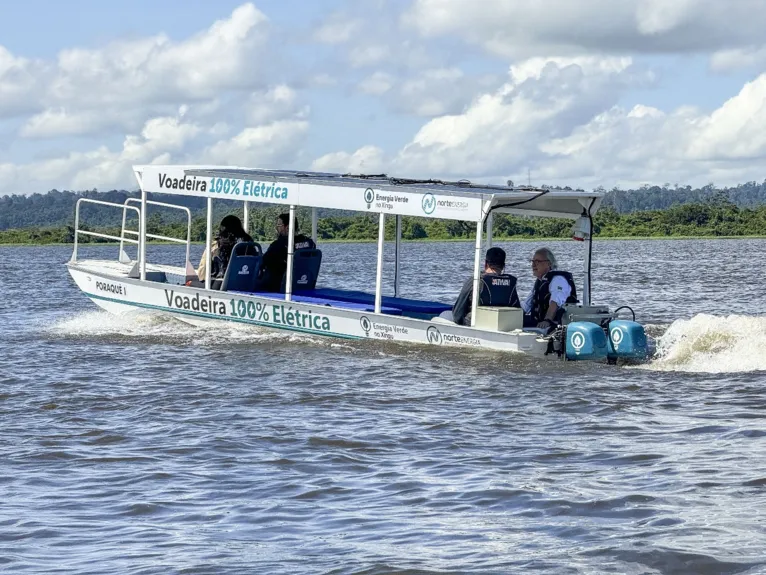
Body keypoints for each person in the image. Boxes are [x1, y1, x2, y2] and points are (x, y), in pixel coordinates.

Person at [441, 247, 521, 326]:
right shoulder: (511, 283)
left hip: (476, 323)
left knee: (445, 314)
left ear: (486, 263)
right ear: (503, 266)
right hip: (502, 324)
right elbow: (517, 308)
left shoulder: (476, 280)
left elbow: (457, 312)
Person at [522, 247, 578, 332]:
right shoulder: (540, 282)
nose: (533, 265)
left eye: (537, 262)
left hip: (555, 326)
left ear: (548, 264)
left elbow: (555, 301)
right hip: (539, 322)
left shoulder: (558, 280)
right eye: (532, 261)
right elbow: (526, 306)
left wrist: (547, 320)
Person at [258, 213, 317, 292]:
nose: (277, 228)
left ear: (288, 227)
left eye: (279, 225)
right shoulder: (309, 243)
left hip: (281, 284)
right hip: (303, 281)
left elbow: (263, 261)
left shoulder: (279, 244)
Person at [196, 214, 254, 282]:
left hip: (221, 283)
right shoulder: (249, 244)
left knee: (191, 282)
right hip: (245, 282)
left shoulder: (216, 245)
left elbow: (202, 273)